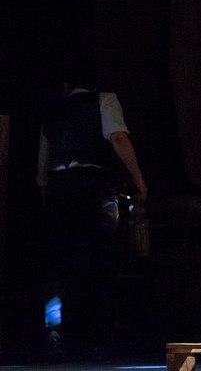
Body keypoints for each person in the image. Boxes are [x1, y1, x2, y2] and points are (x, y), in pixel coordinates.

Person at [36, 65, 148, 360]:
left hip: (59, 187)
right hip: (91, 186)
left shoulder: (53, 112)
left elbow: (42, 169)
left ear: (65, 87)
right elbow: (118, 138)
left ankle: (56, 333)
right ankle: (97, 340)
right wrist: (138, 179)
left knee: (59, 266)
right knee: (100, 262)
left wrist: (50, 199)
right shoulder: (104, 99)